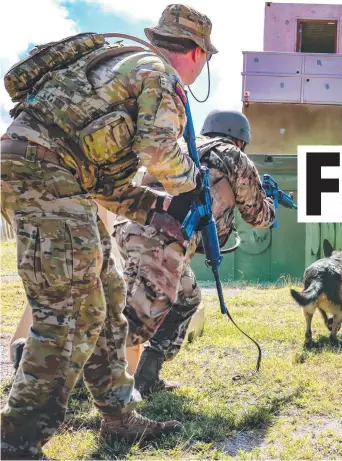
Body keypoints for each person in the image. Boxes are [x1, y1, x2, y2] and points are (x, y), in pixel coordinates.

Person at [0, 4, 216, 459]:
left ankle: (119, 415)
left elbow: (103, 179)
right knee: (69, 312)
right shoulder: (159, 76)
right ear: (196, 53)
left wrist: (155, 209)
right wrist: (192, 183)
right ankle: (17, 442)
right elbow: (159, 150)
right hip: (47, 174)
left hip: (49, 171)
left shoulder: (119, 61)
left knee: (108, 295)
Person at [112, 109, 276, 395]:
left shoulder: (184, 145)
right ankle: (51, 352)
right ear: (240, 139)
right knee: (134, 322)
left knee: (187, 298)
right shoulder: (232, 156)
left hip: (131, 226)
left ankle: (147, 376)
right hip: (163, 235)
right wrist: (271, 203)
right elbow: (258, 216)